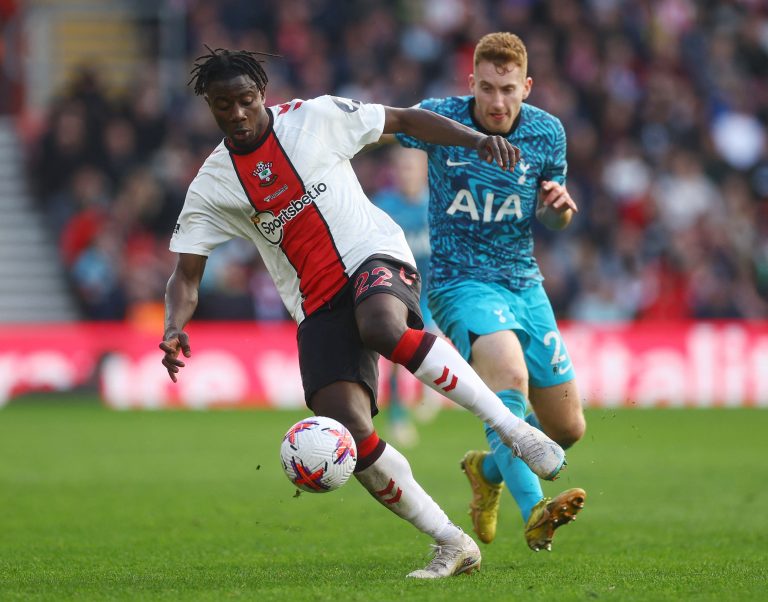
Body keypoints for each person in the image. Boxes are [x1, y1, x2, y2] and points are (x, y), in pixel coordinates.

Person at [158, 47, 566, 579]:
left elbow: (401, 119)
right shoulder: (214, 183)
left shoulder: (315, 118)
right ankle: (450, 542)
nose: (236, 113)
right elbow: (185, 276)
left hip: (374, 257)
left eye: (245, 100)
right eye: (222, 106)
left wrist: (478, 141)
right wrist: (173, 325)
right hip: (315, 303)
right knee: (348, 430)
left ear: (263, 94)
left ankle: (514, 430)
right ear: (209, 107)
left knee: (380, 325)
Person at [393, 32, 587, 552]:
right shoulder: (442, 120)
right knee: (509, 375)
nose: (497, 102)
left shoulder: (548, 133)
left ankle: (487, 472)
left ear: (526, 86)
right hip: (461, 283)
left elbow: (555, 217)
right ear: (471, 83)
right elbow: (387, 124)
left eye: (507, 89)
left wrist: (560, 209)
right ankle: (536, 512)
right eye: (486, 88)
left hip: (525, 283)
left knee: (564, 431)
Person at [372, 147, 433, 447]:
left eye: (413, 167)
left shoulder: (435, 206)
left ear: (424, 171)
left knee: (430, 350)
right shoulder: (383, 206)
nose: (408, 173)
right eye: (403, 167)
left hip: (431, 293)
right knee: (396, 355)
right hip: (397, 291)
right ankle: (397, 415)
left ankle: (428, 392)